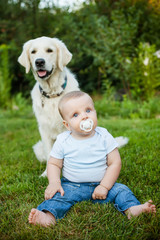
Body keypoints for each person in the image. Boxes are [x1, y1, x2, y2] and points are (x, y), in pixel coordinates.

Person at [28, 91, 156, 227]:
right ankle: (48, 217)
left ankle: (132, 209)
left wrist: (105, 186)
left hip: (102, 183)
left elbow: (115, 163)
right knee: (58, 197)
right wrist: (54, 182)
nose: (84, 116)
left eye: (88, 110)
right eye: (75, 115)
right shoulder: (63, 140)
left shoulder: (104, 135)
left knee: (121, 190)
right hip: (72, 185)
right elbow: (54, 163)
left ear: (95, 112)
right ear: (67, 125)